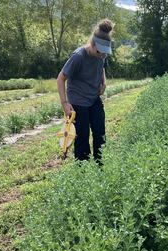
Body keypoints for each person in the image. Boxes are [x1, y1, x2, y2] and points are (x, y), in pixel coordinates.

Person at [57, 19, 113, 163]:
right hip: (78, 101)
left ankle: (100, 165)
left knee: (100, 133)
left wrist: (104, 82)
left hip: (94, 99)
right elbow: (61, 78)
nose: (103, 56)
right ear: (93, 44)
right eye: (100, 52)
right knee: (82, 137)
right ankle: (83, 171)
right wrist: (64, 103)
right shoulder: (79, 56)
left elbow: (102, 67)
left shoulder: (101, 54)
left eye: (105, 53)